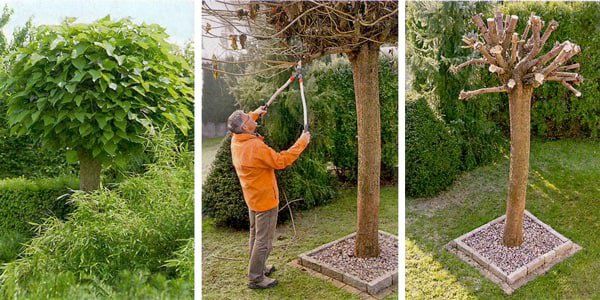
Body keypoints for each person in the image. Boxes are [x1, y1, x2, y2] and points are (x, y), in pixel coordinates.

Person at [227, 106, 311, 289]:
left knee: (255, 236)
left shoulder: (236, 139)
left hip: (253, 197)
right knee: (263, 240)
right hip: (265, 200)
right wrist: (302, 142)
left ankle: (258, 267)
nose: (251, 118)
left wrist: (256, 114)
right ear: (245, 128)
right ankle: (256, 278)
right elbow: (281, 161)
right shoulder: (254, 146)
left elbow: (246, 119)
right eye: (248, 119)